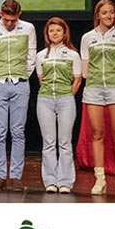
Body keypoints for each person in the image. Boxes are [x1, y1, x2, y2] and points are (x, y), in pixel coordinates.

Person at [81, 0, 115, 197]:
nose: (109, 16)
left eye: (112, 12)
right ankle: (100, 179)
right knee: (97, 134)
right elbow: (85, 67)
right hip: (93, 89)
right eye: (105, 13)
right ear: (98, 16)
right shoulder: (88, 38)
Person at [0, 0, 36, 192]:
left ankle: (15, 176)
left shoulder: (28, 28)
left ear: (19, 16)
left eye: (13, 20)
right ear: (0, 14)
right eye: (6, 20)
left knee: (18, 131)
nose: (9, 23)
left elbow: (31, 56)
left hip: (20, 84)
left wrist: (21, 76)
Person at [35, 17, 82, 194]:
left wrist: (68, 95)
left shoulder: (72, 54)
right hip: (45, 100)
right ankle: (50, 181)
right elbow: (41, 80)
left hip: (66, 100)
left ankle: (65, 182)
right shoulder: (41, 55)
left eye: (58, 30)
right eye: (51, 31)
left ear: (64, 33)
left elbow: (77, 79)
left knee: (64, 141)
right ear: (47, 34)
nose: (55, 33)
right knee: (48, 142)